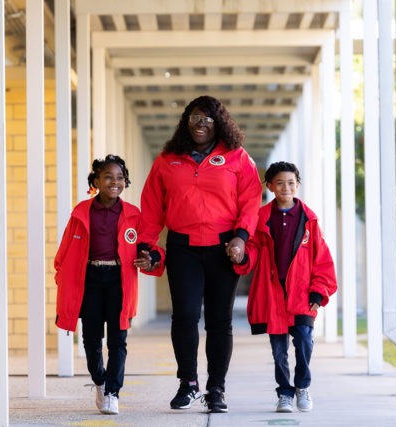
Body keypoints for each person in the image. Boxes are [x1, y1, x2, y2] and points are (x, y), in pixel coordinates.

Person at [135, 95, 262, 413]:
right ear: (186, 122)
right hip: (183, 248)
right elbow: (152, 206)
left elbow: (250, 199)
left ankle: (216, 389)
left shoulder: (236, 157)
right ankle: (187, 383)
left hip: (223, 249)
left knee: (219, 322)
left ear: (219, 123)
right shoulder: (168, 159)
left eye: (208, 118)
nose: (201, 124)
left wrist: (241, 237)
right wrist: (147, 245)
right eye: (195, 118)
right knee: (186, 316)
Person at [54, 154, 164, 415]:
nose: (115, 182)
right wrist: (62, 278)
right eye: (108, 177)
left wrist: (152, 257)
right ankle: (100, 382)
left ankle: (113, 392)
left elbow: (149, 244)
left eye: (120, 178)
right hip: (90, 280)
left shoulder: (133, 215)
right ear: (96, 181)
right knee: (91, 339)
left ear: (125, 182)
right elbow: (65, 251)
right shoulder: (81, 212)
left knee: (118, 339)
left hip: (119, 280)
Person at [233, 161, 337, 413]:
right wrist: (243, 255)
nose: (285, 187)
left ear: (298, 185)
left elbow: (321, 258)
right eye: (279, 183)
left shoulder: (309, 220)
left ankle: (302, 386)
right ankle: (284, 393)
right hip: (272, 293)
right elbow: (255, 248)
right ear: (269, 186)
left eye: (290, 183)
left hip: (301, 293)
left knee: (304, 341)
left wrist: (318, 291)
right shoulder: (261, 218)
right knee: (278, 350)